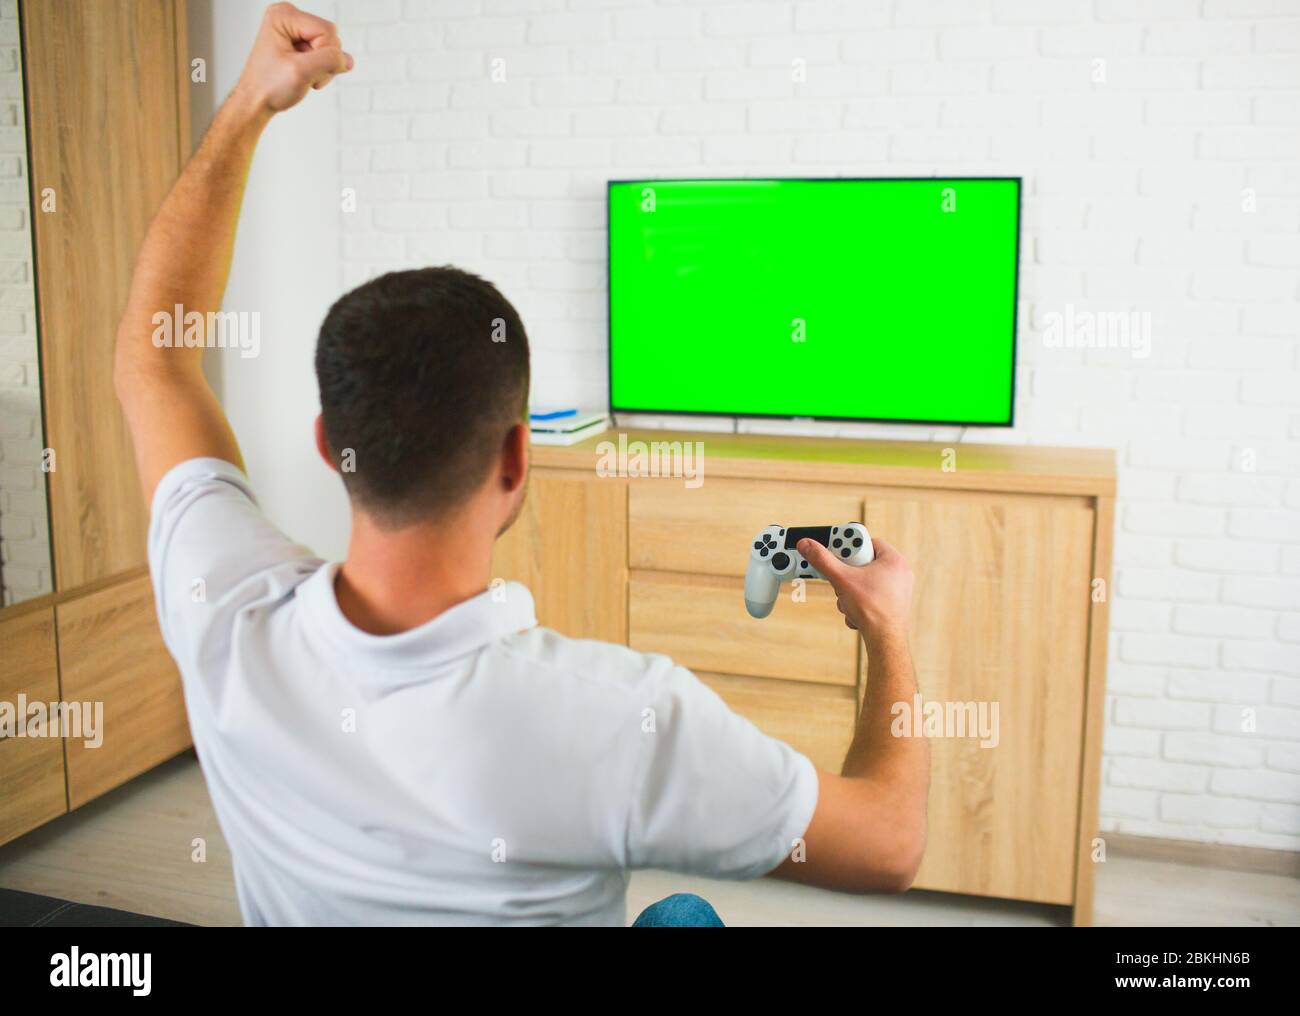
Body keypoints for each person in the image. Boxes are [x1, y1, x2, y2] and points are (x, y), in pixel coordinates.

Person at [113, 2, 929, 926]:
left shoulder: (225, 610)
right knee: (685, 918)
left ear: (327, 447)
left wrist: (250, 103)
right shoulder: (622, 721)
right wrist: (890, 630)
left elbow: (153, 356)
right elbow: (891, 841)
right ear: (517, 453)